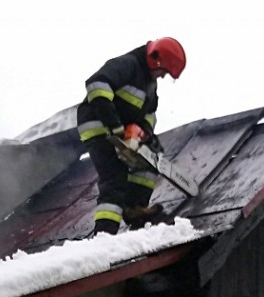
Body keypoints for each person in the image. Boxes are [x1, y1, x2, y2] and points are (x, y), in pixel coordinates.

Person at [76, 37, 186, 235]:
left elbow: (150, 115)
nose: (162, 77)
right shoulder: (128, 65)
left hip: (123, 128)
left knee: (153, 155)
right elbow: (96, 84)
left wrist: (142, 131)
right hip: (97, 125)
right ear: (155, 59)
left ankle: (135, 208)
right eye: (163, 71)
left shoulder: (150, 86)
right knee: (115, 178)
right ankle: (104, 233)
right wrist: (115, 127)